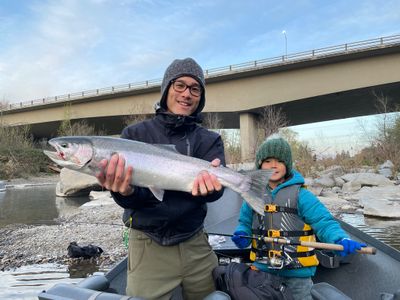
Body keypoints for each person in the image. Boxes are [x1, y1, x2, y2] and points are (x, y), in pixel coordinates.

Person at [96, 58, 226, 300]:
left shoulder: (209, 140)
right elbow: (134, 199)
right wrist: (125, 192)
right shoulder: (133, 136)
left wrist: (211, 189)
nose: (187, 94)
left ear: (200, 97)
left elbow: (218, 192)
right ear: (167, 88)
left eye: (194, 88)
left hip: (196, 243)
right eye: (180, 85)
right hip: (148, 245)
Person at [231, 137, 366, 300]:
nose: (273, 165)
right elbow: (245, 223)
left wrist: (340, 238)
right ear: (260, 166)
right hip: (262, 272)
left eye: (279, 161)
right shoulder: (252, 195)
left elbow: (324, 223)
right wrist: (242, 234)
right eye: (267, 161)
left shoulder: (302, 195)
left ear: (287, 165)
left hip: (297, 276)